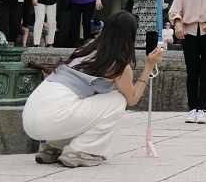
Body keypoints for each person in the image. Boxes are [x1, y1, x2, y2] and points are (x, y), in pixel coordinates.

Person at [23, 11, 164, 168]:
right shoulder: (118, 65)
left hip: (30, 115)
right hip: (52, 118)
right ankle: (81, 151)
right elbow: (132, 99)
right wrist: (149, 66)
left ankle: (52, 148)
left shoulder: (86, 47)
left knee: (84, 102)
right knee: (117, 99)